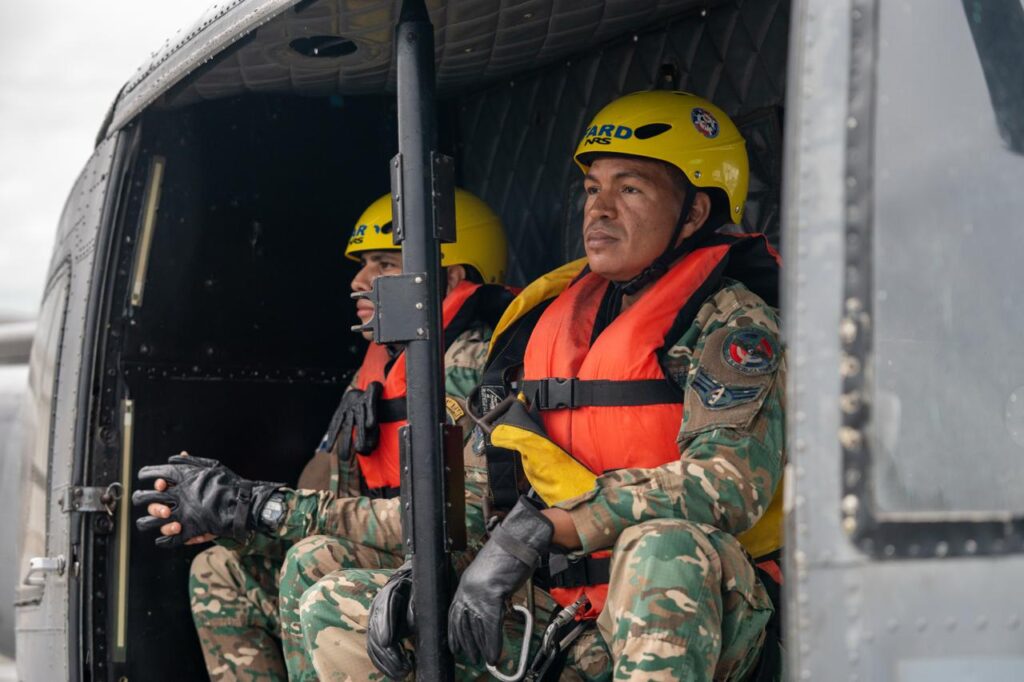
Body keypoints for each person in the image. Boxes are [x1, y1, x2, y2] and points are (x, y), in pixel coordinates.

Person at [298, 90, 785, 681]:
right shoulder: (543, 324)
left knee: (663, 546)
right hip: (562, 608)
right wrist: (439, 566)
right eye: (591, 189)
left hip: (694, 607)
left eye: (629, 189)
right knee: (344, 603)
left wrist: (544, 529)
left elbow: (729, 484)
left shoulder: (732, 321)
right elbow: (486, 487)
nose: (599, 210)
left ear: (695, 212)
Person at [132, 188, 513, 681]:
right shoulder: (377, 373)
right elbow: (327, 494)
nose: (359, 281)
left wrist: (263, 505)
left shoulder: (482, 363)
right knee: (220, 567)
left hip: (463, 569)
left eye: (384, 264)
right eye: (362, 266)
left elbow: (464, 524)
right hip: (387, 552)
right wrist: (237, 518)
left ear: (454, 276)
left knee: (314, 558)